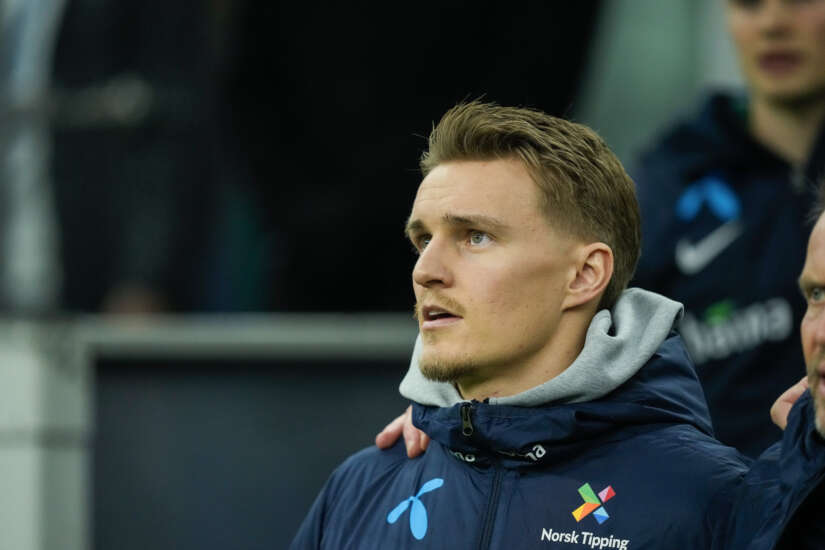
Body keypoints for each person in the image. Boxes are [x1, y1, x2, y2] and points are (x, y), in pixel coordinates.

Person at [290, 101, 825, 549]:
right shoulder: (361, 485)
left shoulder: (710, 500)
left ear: (584, 275)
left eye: (475, 236)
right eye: (423, 239)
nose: (425, 271)